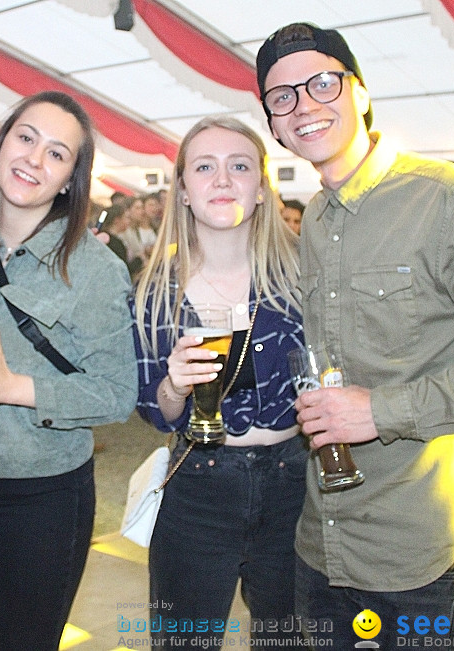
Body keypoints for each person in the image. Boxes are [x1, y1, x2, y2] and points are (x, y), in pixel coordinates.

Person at [256, 22, 454, 648]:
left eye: (321, 83)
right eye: (282, 97)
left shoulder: (446, 198)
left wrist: (382, 410)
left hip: (416, 553)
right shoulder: (315, 216)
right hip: (322, 540)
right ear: (273, 124)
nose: (304, 105)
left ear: (360, 92)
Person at [0, 90, 137, 651]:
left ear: (70, 179)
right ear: (0, 145)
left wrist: (12, 387)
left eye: (56, 153)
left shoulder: (93, 268)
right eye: (26, 138)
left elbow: (117, 394)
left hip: (40, 494)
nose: (34, 159)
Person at [131, 116, 307, 650]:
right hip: (198, 488)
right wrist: (175, 386)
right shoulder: (153, 294)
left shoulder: (303, 278)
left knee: (288, 641)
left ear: (262, 188)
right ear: (183, 190)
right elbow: (153, 409)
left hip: (295, 486)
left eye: (240, 166)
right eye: (205, 167)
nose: (223, 179)